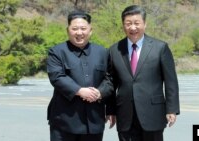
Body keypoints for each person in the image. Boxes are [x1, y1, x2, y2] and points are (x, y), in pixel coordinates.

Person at [108, 5, 180, 141]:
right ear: (123, 25)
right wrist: (111, 110)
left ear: (145, 24)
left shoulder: (160, 48)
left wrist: (172, 109)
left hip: (153, 113)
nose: (133, 28)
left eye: (137, 23)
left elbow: (171, 81)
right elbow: (111, 83)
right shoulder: (114, 50)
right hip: (125, 114)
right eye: (128, 24)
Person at [46, 10, 115, 141]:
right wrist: (79, 91)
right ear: (68, 30)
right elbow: (57, 77)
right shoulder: (57, 52)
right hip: (64, 121)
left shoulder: (102, 52)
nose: (79, 32)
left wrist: (100, 93)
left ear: (90, 30)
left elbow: (110, 78)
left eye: (83, 28)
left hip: (94, 120)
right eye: (75, 28)